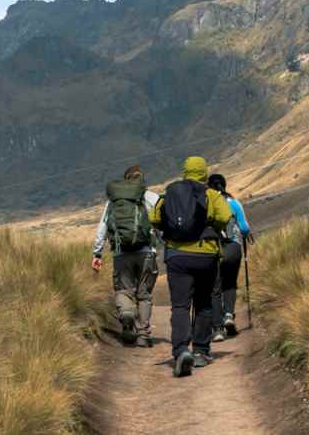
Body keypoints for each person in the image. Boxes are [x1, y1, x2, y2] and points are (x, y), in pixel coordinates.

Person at [150, 156, 232, 377]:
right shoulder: (211, 195)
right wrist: (210, 222)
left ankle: (181, 350)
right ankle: (201, 352)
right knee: (204, 304)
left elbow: (154, 218)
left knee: (180, 306)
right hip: (206, 256)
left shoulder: (170, 194)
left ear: (185, 171)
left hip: (177, 256)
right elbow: (225, 216)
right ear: (204, 173)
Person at [92, 164, 160, 348]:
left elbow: (102, 229)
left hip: (122, 254)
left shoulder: (114, 201)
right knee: (144, 295)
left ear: (126, 180)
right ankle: (144, 335)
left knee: (123, 290)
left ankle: (128, 314)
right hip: (147, 252)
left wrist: (97, 253)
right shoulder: (151, 197)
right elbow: (163, 221)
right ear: (141, 179)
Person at [207, 173, 253, 342]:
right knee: (230, 283)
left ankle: (217, 328)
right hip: (233, 248)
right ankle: (228, 315)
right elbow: (245, 228)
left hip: (213, 249)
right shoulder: (234, 202)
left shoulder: (208, 203)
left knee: (214, 287)